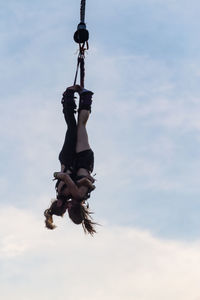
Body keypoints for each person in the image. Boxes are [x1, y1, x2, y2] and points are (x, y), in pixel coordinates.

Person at [44, 85, 97, 235]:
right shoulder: (76, 195)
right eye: (68, 210)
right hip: (79, 160)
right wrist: (57, 175)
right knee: (76, 126)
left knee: (77, 126)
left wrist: (88, 183)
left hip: (73, 159)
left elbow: (79, 181)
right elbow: (68, 178)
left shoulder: (71, 195)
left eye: (64, 209)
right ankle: (73, 98)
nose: (67, 208)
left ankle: (80, 98)